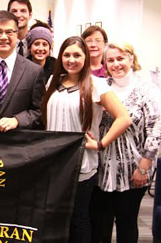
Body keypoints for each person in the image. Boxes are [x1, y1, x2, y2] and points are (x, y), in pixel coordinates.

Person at [41, 36, 131, 243]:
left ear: (86, 57)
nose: (71, 59)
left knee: (78, 219)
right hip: (53, 164)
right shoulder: (53, 82)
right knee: (54, 218)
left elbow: (123, 118)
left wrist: (100, 144)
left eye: (77, 55)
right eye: (67, 55)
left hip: (81, 165)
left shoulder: (97, 85)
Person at [91, 42, 161, 243]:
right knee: (100, 223)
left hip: (133, 171)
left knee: (126, 223)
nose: (116, 64)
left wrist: (144, 167)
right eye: (110, 60)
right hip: (101, 170)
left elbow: (157, 129)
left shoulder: (146, 90)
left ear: (132, 59)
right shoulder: (102, 86)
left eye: (121, 58)